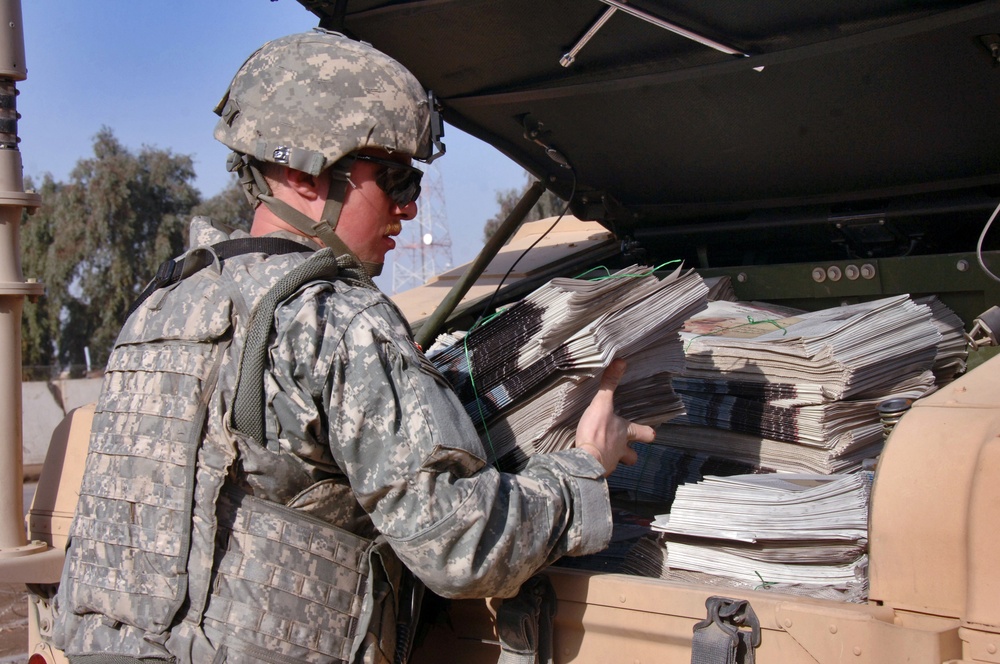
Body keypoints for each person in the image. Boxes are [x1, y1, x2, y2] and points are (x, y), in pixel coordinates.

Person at [52, 29, 655, 664]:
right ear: (301, 172)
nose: (409, 209)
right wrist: (586, 466)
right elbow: (460, 545)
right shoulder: (337, 320)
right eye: (394, 180)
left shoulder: (159, 304)